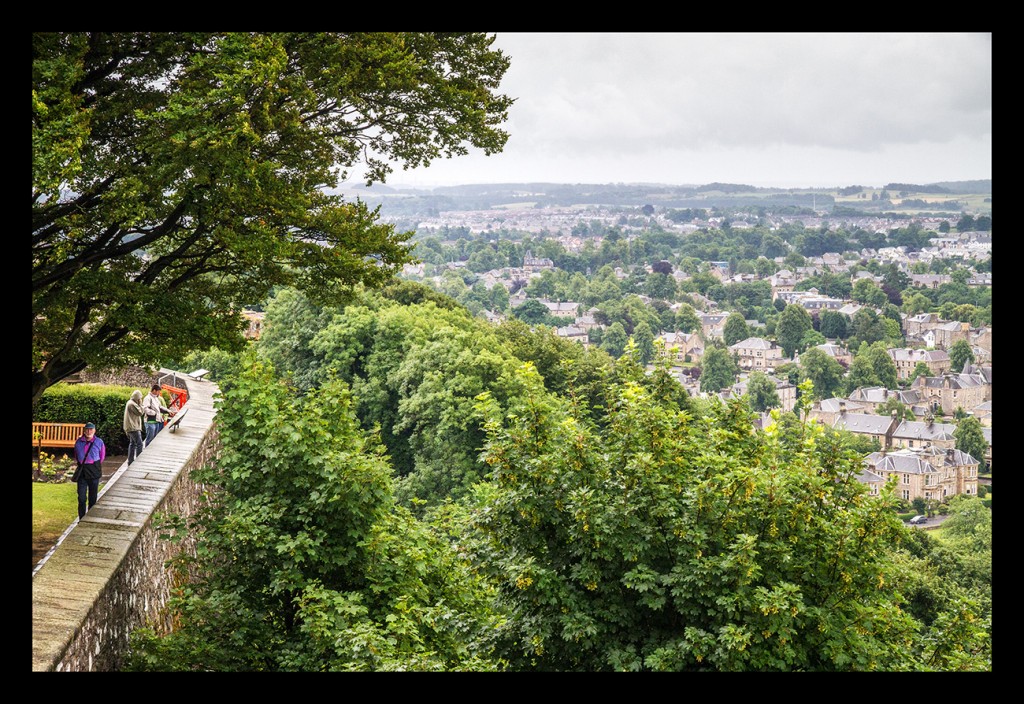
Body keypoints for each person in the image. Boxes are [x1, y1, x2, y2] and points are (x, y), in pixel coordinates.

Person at [73, 422, 106, 519]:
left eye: (91, 429)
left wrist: (93, 463)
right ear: (84, 430)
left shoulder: (99, 442)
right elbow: (76, 455)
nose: (88, 431)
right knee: (81, 497)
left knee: (93, 497)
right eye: (87, 429)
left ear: (94, 430)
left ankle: (90, 517)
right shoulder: (79, 442)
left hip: (93, 470)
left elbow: (102, 456)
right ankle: (81, 518)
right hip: (82, 471)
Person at [123, 389, 145, 465]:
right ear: (137, 398)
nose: (140, 399)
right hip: (133, 427)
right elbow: (140, 412)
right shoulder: (132, 404)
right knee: (139, 444)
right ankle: (138, 462)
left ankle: (130, 461)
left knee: (132, 444)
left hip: (130, 427)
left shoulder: (130, 402)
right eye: (140, 398)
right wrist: (141, 404)